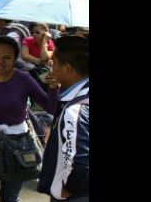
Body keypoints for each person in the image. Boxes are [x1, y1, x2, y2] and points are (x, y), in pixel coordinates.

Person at [0, 36, 59, 202]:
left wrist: (53, 89)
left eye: (7, 57)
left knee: (10, 197)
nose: (0, 61)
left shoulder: (24, 79)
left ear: (15, 59)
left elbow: (51, 107)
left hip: (18, 145)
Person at [37, 36, 89, 201]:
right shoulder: (77, 99)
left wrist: (68, 188)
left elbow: (79, 161)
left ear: (67, 67)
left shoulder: (76, 109)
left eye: (54, 63)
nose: (51, 68)